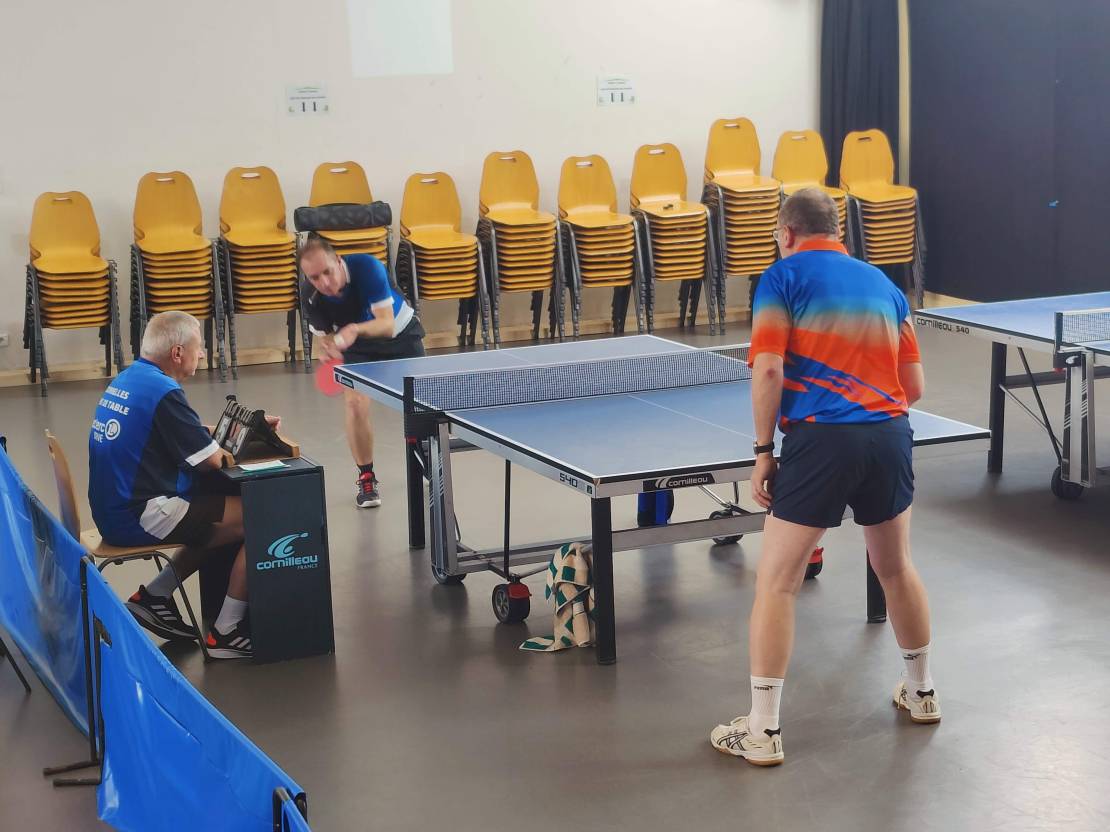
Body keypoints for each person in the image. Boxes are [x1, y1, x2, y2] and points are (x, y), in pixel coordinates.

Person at [709, 188, 935, 766]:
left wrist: (764, 451)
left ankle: (762, 730)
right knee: (896, 568)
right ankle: (922, 692)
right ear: (839, 230)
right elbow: (913, 387)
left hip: (822, 441)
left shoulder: (781, 279)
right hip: (889, 435)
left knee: (777, 582)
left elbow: (767, 370)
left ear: (785, 233)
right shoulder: (884, 285)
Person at [89, 311, 277, 660]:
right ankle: (227, 631)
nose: (202, 354)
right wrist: (244, 442)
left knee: (215, 520)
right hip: (138, 514)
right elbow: (212, 461)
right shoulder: (164, 391)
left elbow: (176, 432)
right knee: (264, 517)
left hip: (111, 509)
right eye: (198, 346)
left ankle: (154, 596)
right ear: (177, 353)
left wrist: (244, 428)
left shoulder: (130, 379)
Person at [299, 234, 426, 508]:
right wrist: (328, 349)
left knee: (420, 405)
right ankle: (366, 477)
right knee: (355, 404)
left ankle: (426, 453)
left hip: (400, 333)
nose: (324, 283)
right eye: (314, 278)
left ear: (338, 261)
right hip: (356, 344)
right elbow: (325, 337)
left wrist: (354, 329)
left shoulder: (368, 267)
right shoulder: (310, 295)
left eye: (327, 272)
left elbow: (386, 325)